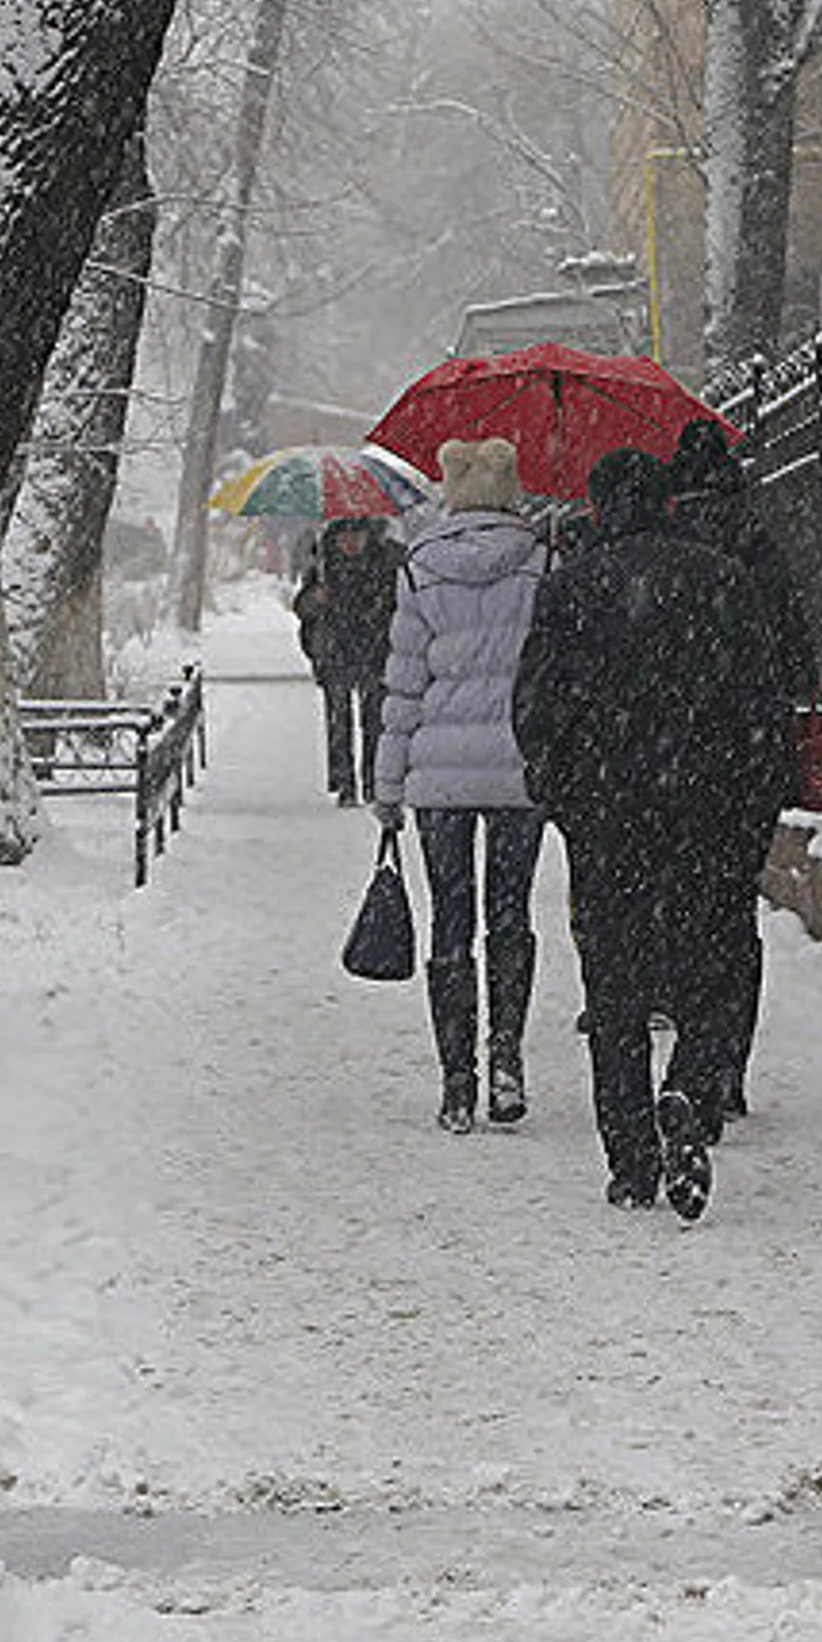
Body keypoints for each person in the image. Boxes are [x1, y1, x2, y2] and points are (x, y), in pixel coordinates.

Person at [513, 447, 793, 1219]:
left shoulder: (570, 588)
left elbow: (537, 706)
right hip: (703, 807)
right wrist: (748, 803)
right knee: (708, 964)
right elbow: (761, 708)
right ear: (668, 503)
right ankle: (691, 1085)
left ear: (600, 507)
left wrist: (563, 790)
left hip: (608, 815)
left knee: (614, 984)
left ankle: (631, 1157)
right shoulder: (723, 583)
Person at [373, 439, 552, 1135]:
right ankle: (506, 1055)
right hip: (518, 770)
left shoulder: (419, 569)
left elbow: (404, 688)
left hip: (438, 780)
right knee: (510, 915)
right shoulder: (541, 562)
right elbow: (551, 674)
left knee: (452, 918)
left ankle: (456, 1083)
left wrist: (388, 790)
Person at [664, 417, 815, 1130]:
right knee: (733, 913)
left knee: (680, 908)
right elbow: (798, 659)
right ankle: (728, 1064)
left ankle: (693, 1051)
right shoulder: (758, 545)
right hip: (747, 760)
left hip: (670, 760)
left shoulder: (667, 550)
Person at [294, 514, 401, 805]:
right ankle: (345, 782)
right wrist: (316, 598)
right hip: (335, 652)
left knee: (374, 722)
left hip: (374, 650)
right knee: (338, 720)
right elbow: (302, 608)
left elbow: (397, 604)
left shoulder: (385, 561)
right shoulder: (323, 563)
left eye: (357, 536)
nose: (351, 543)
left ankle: (372, 781)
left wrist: (380, 609)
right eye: (344, 537)